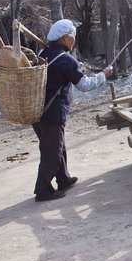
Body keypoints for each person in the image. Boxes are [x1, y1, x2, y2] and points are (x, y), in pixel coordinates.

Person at [33, 19, 113, 202]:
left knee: (55, 146)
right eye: (73, 36)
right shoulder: (65, 60)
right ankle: (42, 190)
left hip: (37, 111)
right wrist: (103, 75)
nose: (74, 39)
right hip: (53, 113)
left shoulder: (42, 53)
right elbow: (84, 85)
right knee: (52, 152)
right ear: (64, 38)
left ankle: (63, 179)